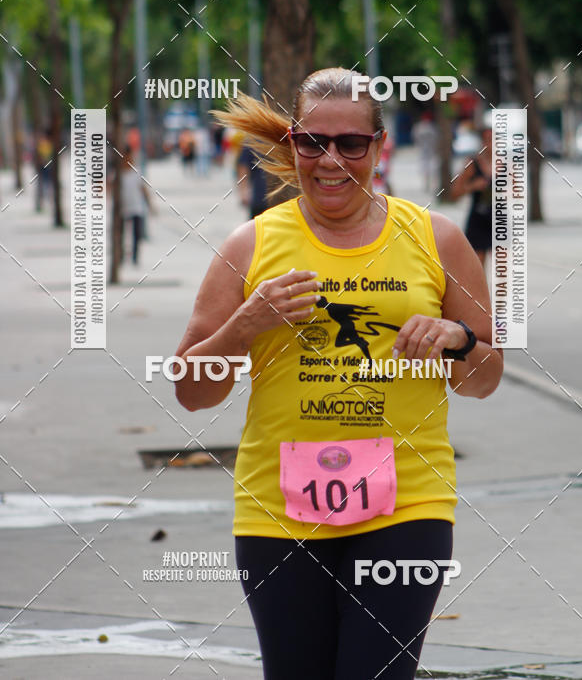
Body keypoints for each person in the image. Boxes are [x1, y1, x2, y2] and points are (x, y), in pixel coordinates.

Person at [174, 68, 502, 680]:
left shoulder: (438, 240)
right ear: (291, 142)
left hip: (407, 503)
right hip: (280, 509)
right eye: (311, 142)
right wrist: (245, 326)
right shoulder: (249, 246)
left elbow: (486, 376)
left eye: (351, 143)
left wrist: (458, 343)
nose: (330, 161)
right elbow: (192, 391)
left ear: (380, 148)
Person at [450, 122, 493, 267]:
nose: (491, 144)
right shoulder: (472, 163)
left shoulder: (505, 164)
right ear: (481, 142)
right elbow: (455, 193)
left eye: (494, 139)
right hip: (478, 218)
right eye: (487, 139)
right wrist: (473, 186)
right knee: (478, 266)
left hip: (499, 218)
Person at [120, 148, 152, 265]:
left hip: (136, 207)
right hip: (122, 209)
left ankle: (135, 257)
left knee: (136, 235)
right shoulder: (118, 173)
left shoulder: (136, 172)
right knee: (121, 234)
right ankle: (121, 256)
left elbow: (143, 189)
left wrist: (150, 205)